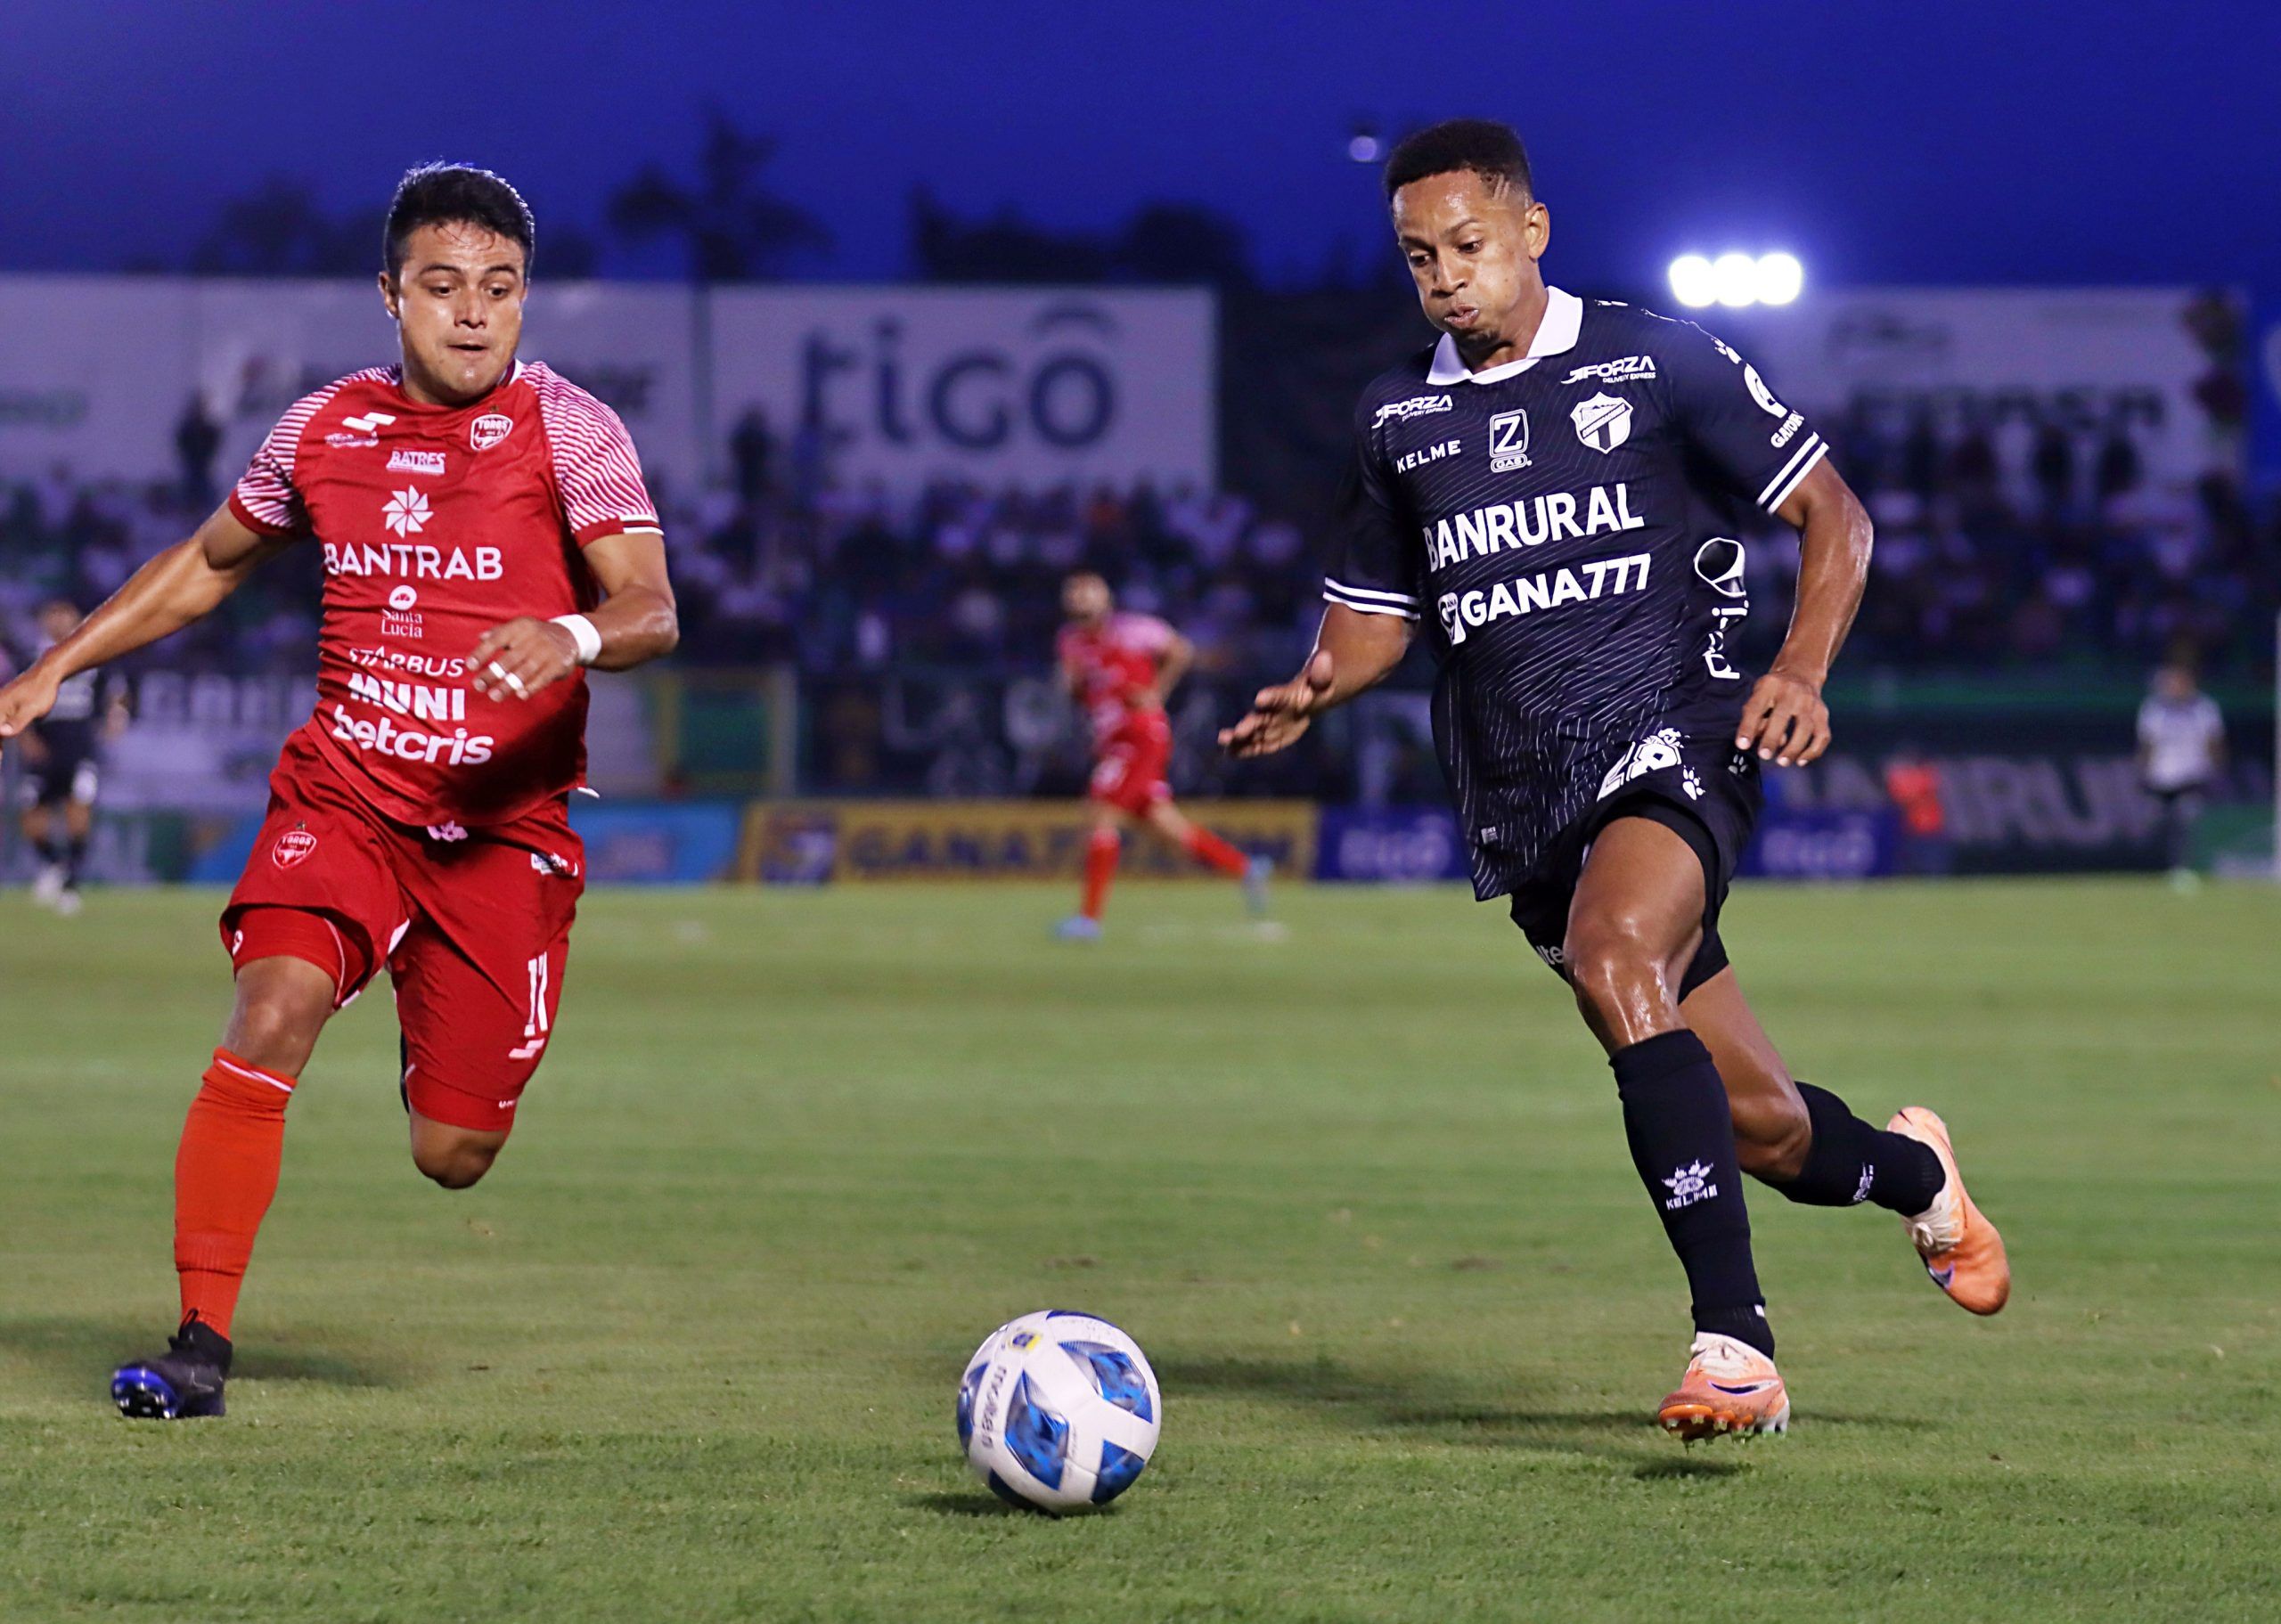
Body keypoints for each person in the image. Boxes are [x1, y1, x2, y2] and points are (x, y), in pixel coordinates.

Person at [1222, 119, 2007, 1441]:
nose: (1447, 278)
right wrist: (1314, 684)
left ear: (1533, 230)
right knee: (1762, 1127)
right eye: (1420, 259)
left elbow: (1838, 516)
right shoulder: (1398, 424)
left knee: (1615, 952)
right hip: (1524, 794)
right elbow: (1370, 623)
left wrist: (1802, 668)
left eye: (1468, 246)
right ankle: (1920, 1175)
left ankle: (1737, 1348)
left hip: (1680, 730)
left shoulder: (1654, 361)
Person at [0, 163, 679, 1420]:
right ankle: (199, 1343)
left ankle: (435, 1011)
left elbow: (648, 601)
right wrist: (57, 664)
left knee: (454, 1152)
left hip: (500, 833)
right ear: (389, 295)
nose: (473, 313)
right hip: (346, 798)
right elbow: (208, 564)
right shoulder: (322, 427)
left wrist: (571, 635)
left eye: (501, 288)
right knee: (268, 1014)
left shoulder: (570, 427)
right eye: (442, 287)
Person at [1056, 571, 1268, 938]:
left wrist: (1156, 690)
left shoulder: (1133, 630)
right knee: (1169, 828)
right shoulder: (1070, 643)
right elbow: (1075, 689)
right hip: (1111, 739)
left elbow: (1180, 650)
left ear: (1106, 601)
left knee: (1100, 815)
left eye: (1088, 596)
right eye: (1076, 598)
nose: (1082, 603)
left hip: (1138, 737)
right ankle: (1247, 870)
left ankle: (1089, 920)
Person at [13, 599, 131, 914]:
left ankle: (70, 882)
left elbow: (117, 692)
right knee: (32, 818)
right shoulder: (30, 659)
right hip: (43, 749)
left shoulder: (93, 655)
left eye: (66, 615)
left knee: (77, 811)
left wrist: (115, 718)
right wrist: (25, 739)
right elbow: (14, 699)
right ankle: (55, 866)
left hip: (80, 748)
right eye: (53, 615)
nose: (60, 621)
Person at [2135, 660, 2224, 885]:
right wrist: (2143, 773)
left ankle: (2181, 869)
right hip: (2162, 777)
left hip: (2191, 776)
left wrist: (2216, 769)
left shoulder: (2204, 708)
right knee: (2158, 824)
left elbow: (2214, 742)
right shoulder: (2154, 709)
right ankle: (2153, 867)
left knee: (2184, 821)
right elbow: (2147, 744)